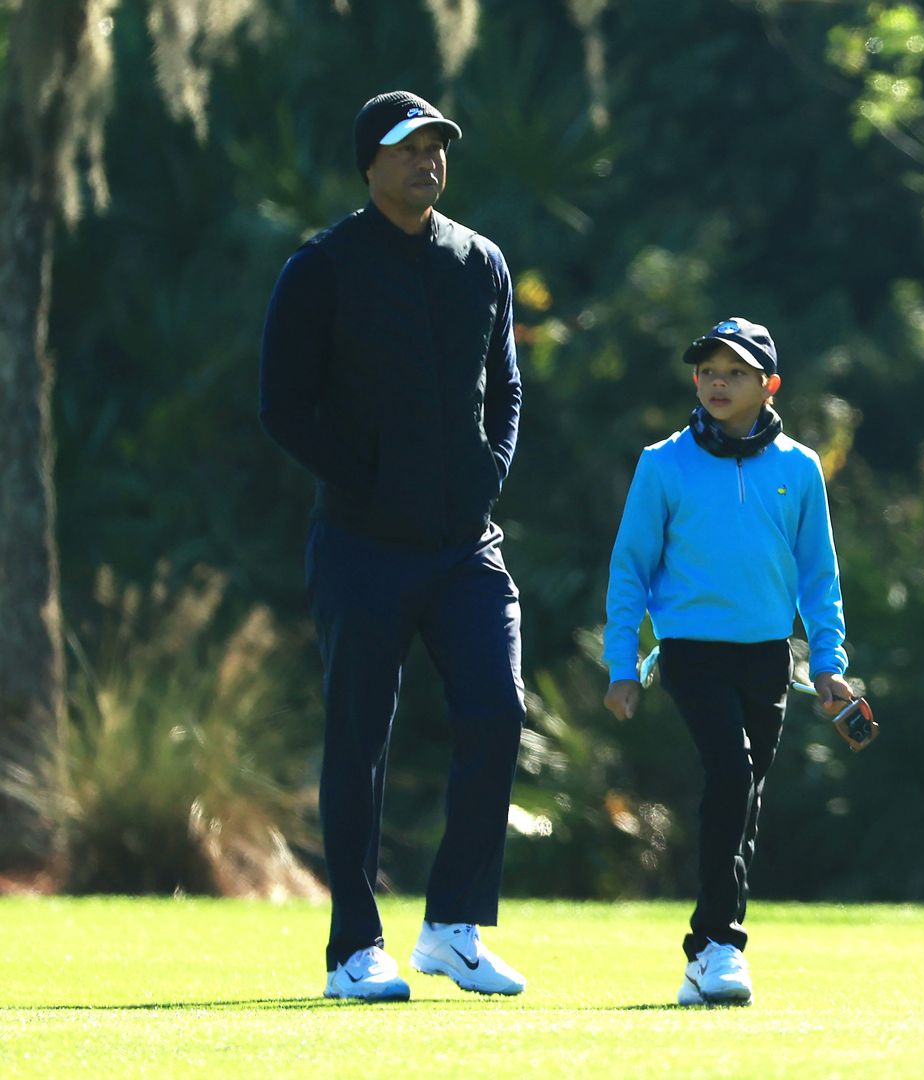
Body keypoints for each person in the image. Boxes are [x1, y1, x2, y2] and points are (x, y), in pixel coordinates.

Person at [260, 90, 527, 1002]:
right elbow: (284, 405)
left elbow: (507, 390)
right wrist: (369, 479)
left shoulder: (479, 260)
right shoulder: (322, 268)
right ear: (370, 163)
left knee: (495, 708)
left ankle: (453, 928)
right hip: (363, 545)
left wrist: (487, 474)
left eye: (439, 145)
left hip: (465, 547)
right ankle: (352, 949)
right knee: (359, 741)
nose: (429, 160)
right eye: (410, 147)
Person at [601, 316, 856, 1006]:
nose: (718, 383)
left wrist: (829, 662)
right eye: (709, 371)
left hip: (768, 656)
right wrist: (621, 663)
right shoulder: (663, 463)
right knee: (731, 771)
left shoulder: (799, 469)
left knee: (744, 800)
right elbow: (631, 569)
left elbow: (818, 575)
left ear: (768, 386)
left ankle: (706, 957)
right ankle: (716, 944)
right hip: (690, 652)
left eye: (735, 373)